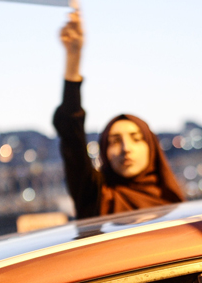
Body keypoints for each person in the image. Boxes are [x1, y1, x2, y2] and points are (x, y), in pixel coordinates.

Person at [53, 13, 185, 219]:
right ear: (104, 151)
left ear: (152, 148)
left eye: (136, 138)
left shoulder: (175, 204)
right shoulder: (97, 197)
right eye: (115, 141)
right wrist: (73, 58)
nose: (126, 148)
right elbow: (71, 133)